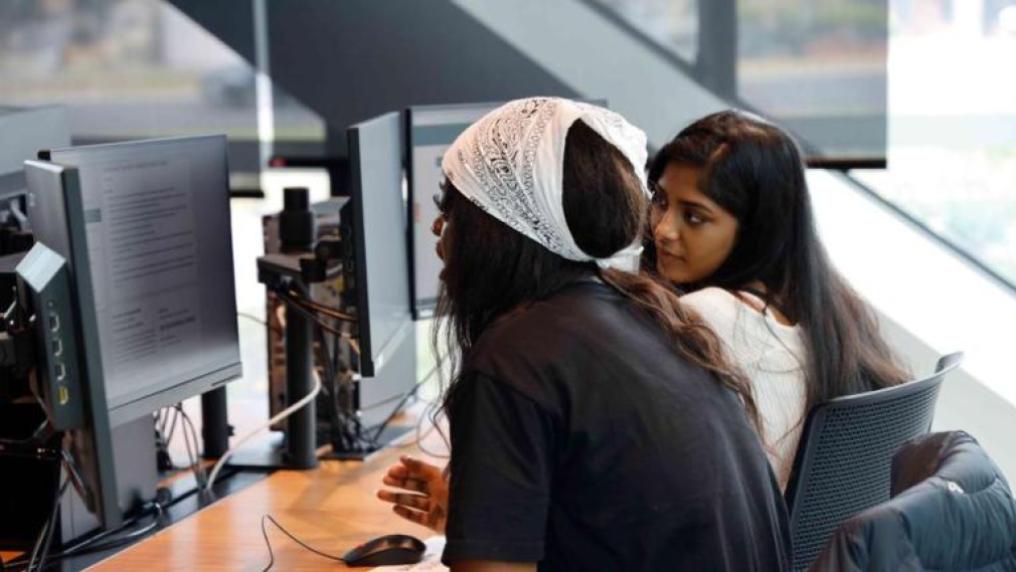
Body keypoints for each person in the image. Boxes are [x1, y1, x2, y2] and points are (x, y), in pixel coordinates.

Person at [379, 98, 790, 571]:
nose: (437, 228)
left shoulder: (513, 358)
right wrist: (484, 518)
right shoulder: (648, 316)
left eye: (450, 210)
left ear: (495, 231)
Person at [646, 110, 909, 489]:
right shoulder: (831, 310)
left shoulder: (706, 315)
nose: (663, 229)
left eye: (694, 217)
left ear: (756, 228)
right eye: (660, 200)